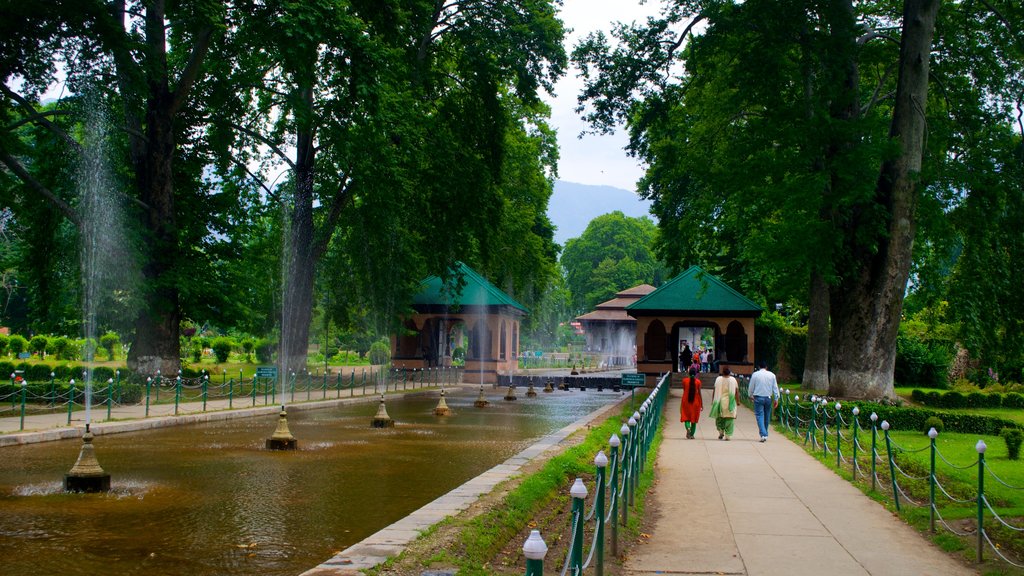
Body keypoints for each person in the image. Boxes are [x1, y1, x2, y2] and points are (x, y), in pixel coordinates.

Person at [748, 360, 780, 442]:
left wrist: (750, 395)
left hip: (758, 397)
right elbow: (775, 387)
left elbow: (751, 386)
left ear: (759, 367)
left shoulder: (755, 375)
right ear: (766, 367)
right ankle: (765, 432)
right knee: (767, 416)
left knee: (759, 416)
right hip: (768, 397)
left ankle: (763, 434)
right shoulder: (772, 375)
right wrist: (776, 398)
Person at [709, 366, 739, 440]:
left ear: (722, 373)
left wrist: (713, 400)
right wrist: (738, 401)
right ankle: (728, 435)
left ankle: (721, 431)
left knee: (719, 418)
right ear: (729, 373)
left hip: (719, 402)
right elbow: (736, 392)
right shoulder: (733, 380)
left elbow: (714, 390)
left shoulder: (718, 379)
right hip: (729, 403)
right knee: (729, 419)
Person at [679, 366, 703, 439]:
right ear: (696, 374)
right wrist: (702, 404)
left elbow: (684, 389)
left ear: (688, 373)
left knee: (686, 417)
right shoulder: (698, 382)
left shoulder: (684, 381)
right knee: (694, 419)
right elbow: (699, 393)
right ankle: (692, 435)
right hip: (696, 402)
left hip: (686, 401)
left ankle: (688, 428)